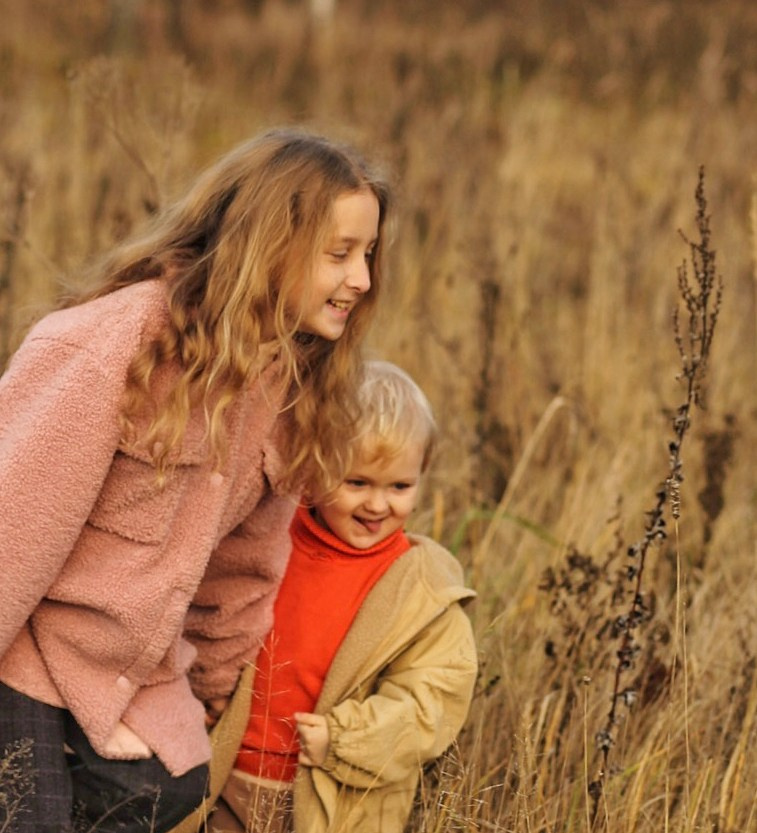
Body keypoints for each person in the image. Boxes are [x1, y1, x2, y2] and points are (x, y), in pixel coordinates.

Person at [0, 127, 392, 833]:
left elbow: (242, 574)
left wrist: (201, 697)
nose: (361, 279)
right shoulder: (116, 345)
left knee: (170, 787)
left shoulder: (288, 386)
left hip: (127, 672)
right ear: (269, 244)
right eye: (339, 255)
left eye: (367, 254)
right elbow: (10, 534)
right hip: (22, 660)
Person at [210, 360, 478, 833]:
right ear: (311, 467)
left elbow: (431, 704)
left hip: (340, 803)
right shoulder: (266, 539)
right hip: (225, 781)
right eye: (356, 483)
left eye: (400, 486)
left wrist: (346, 739)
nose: (377, 505)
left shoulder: (422, 589)